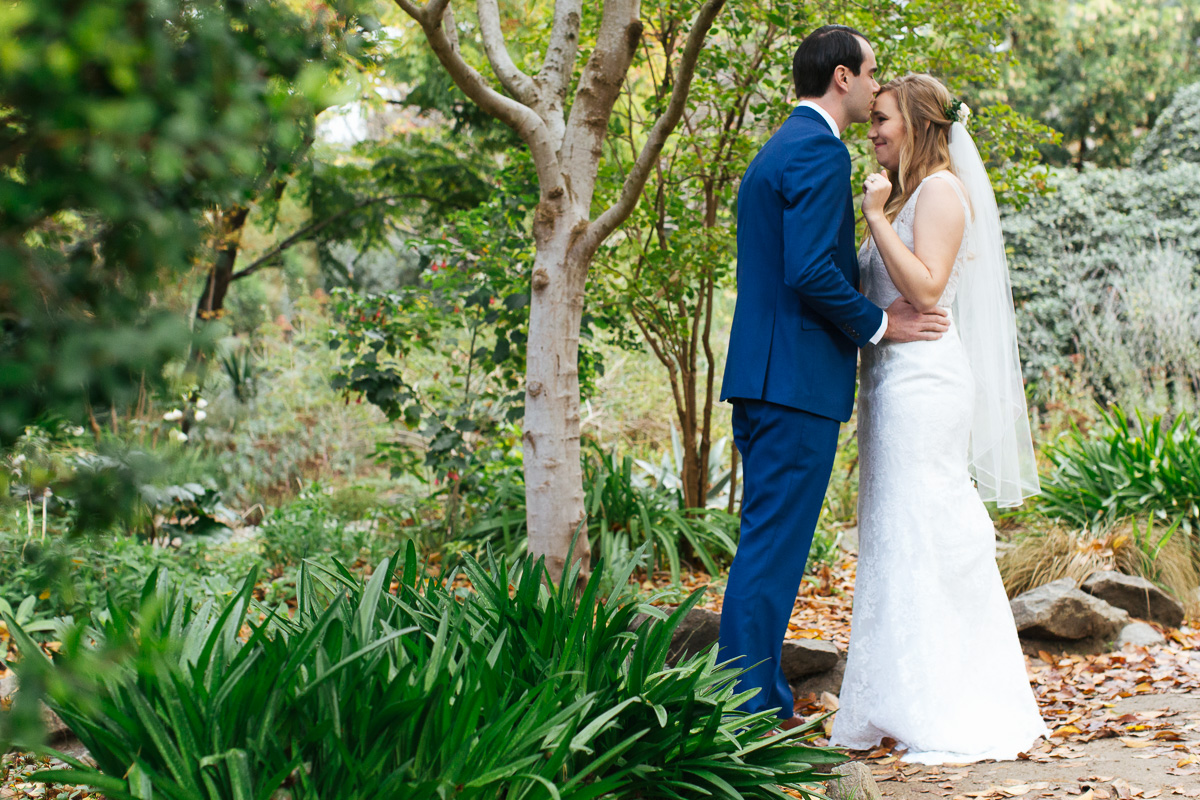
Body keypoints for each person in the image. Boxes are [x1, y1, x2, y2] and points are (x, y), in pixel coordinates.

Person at [718, 26, 950, 730]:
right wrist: (881, 325)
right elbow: (811, 270)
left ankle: (749, 699)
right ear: (842, 77)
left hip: (765, 379)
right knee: (774, 549)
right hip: (795, 386)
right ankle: (749, 709)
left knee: (766, 541)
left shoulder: (776, 150)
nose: (877, 88)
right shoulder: (819, 152)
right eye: (872, 74)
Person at [828, 73, 1047, 763]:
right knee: (895, 537)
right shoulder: (907, 195)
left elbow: (925, 284)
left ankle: (953, 703)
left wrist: (873, 219)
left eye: (884, 119)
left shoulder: (943, 191)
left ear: (920, 124)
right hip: (890, 384)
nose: (872, 131)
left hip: (925, 386)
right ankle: (898, 696)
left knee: (930, 530)